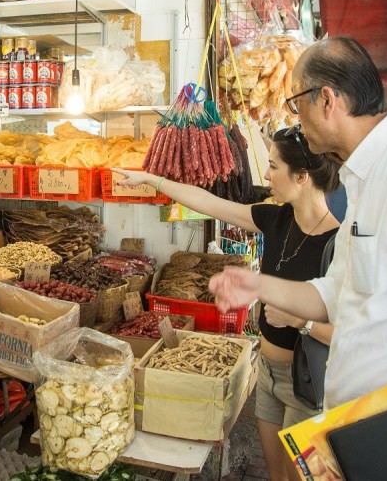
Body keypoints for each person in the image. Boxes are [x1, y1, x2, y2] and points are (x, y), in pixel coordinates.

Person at [208, 37, 387, 481]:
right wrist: (258, 286)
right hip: (363, 443)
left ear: (327, 100)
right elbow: (337, 294)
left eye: (295, 103)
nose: (294, 119)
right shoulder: (366, 179)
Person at [114, 125, 340, 480]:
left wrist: (302, 322)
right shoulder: (277, 218)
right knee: (276, 473)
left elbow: (355, 331)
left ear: (302, 176)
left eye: (274, 166)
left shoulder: (337, 244)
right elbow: (209, 203)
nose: (266, 174)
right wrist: (151, 179)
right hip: (267, 373)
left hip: (306, 381)